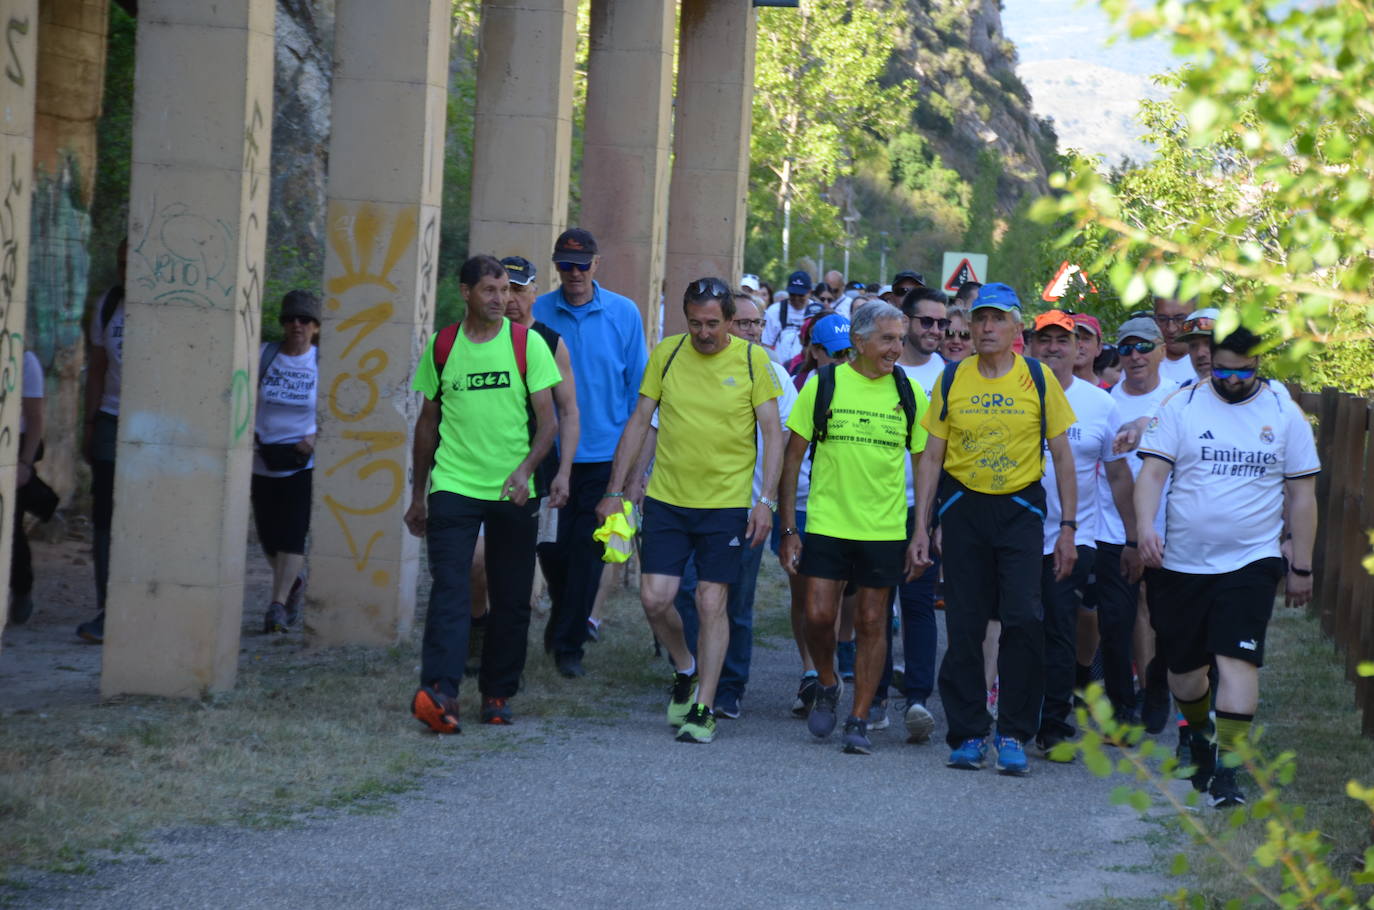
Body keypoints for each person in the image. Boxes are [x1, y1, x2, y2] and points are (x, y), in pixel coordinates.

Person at [1135, 326, 1319, 807]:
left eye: (1244, 370)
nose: (1232, 379)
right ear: (1208, 361)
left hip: (1251, 560)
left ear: (1259, 365)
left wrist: (1301, 562)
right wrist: (1144, 529)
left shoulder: (1283, 411)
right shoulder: (1182, 405)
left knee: (1238, 660)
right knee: (1186, 671)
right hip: (1180, 562)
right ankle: (1199, 735)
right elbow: (1152, 473)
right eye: (1223, 369)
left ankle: (1229, 772)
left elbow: (1302, 493)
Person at [596, 278, 782, 745]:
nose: (704, 333)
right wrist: (617, 489)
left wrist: (766, 502)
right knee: (655, 599)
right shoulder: (668, 354)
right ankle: (685, 667)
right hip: (667, 500)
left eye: (713, 324)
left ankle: (704, 705)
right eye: (695, 323)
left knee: (710, 602)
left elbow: (773, 435)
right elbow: (641, 419)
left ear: (729, 321)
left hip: (725, 504)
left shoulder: (752, 360)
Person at [911, 282, 1078, 776]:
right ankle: (966, 734)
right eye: (981, 318)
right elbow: (932, 456)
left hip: (1021, 509)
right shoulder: (953, 377)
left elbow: (1063, 457)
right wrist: (923, 525)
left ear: (1015, 328)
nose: (986, 328)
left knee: (1024, 618)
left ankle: (1013, 733)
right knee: (965, 621)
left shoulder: (1037, 377)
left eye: (997, 319)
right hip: (964, 506)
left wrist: (1067, 527)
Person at [406, 255, 560, 733]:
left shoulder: (527, 344)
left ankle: (497, 692)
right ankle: (441, 693)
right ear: (466, 292)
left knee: (511, 597)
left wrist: (526, 470)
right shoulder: (443, 346)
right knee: (450, 591)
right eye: (491, 291)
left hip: (513, 489)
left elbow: (549, 423)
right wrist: (418, 493)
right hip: (453, 485)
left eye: (507, 291)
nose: (502, 300)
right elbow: (427, 425)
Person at [779, 301, 929, 754]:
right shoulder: (823, 384)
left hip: (884, 528)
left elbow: (925, 466)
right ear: (858, 343)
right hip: (827, 521)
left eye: (900, 340)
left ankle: (859, 719)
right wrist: (789, 528)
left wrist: (920, 529)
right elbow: (791, 458)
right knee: (820, 617)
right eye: (887, 339)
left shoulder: (909, 393)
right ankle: (827, 680)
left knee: (870, 621)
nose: (896, 349)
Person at [662, 296, 798, 718]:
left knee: (735, 600)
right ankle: (691, 674)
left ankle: (728, 687)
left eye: (758, 323)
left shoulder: (773, 374)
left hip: (746, 507)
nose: (753, 331)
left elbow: (788, 440)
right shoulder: (684, 363)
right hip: (689, 502)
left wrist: (768, 501)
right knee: (686, 591)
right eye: (743, 322)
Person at [533, 228, 648, 679]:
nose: (574, 273)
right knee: (551, 551)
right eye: (565, 265)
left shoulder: (624, 312)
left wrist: (636, 470)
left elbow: (640, 392)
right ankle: (567, 616)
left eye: (582, 265)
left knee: (587, 551)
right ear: (556, 266)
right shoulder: (539, 311)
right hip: (549, 454)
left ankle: (569, 645)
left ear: (596, 265)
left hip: (604, 457)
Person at [1028, 310, 1136, 756]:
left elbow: (1118, 476)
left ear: (1080, 349)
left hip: (1074, 537)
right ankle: (1016, 715)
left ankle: (1053, 723)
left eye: (1063, 341)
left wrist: (1132, 538)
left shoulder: (1100, 404)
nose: (1054, 348)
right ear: (1031, 346)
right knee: (1021, 627)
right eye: (1045, 340)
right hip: (1015, 535)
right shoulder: (1014, 393)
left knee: (1058, 628)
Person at [1094, 316, 1172, 727]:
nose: (1135, 356)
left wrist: (1143, 426)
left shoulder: (1178, 398)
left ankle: (1155, 693)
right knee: (1116, 620)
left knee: (1161, 617)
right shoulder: (1106, 400)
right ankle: (1123, 704)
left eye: (1143, 346)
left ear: (1161, 348)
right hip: (1112, 528)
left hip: (1168, 527)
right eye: (1126, 348)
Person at [253, 291, 320, 634]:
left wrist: (313, 440)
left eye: (305, 320)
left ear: (316, 327)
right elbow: (243, 397)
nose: (297, 325)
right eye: (291, 319)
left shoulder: (322, 364)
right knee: (269, 538)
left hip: (300, 463)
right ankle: (293, 584)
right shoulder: (265, 356)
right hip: (262, 460)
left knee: (293, 534)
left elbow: (340, 410)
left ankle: (277, 605)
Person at [77, 240, 127, 643]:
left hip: (155, 427)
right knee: (106, 514)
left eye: (134, 261)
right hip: (112, 415)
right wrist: (90, 422)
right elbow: (97, 368)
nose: (126, 269)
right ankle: (108, 607)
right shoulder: (110, 303)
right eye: (121, 260)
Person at [10, 350, 47, 624]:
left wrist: (25, 463)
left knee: (10, 528)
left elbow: (35, 418)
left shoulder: (25, 361)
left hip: (14, 446)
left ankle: (21, 589)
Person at [896, 286, 948, 391]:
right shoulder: (882, 369)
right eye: (926, 322)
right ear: (905, 322)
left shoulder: (951, 373)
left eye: (941, 323)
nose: (935, 331)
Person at [762, 270, 814, 368]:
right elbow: (766, 345)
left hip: (807, 369)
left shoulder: (816, 311)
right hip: (780, 367)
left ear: (810, 292)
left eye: (801, 295)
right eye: (793, 294)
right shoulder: (774, 311)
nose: (796, 299)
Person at [1153, 296, 1199, 385]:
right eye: (1162, 319)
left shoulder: (1211, 361)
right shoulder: (1137, 359)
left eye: (1180, 319)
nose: (1171, 329)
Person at [1177, 308, 1219, 380]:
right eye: (1193, 346)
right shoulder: (1182, 390)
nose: (1200, 354)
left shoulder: (1244, 389)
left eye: (1209, 343)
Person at [1072, 314, 1104, 384]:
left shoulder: (1109, 393)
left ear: (1099, 348)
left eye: (1086, 339)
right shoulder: (1048, 388)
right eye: (1075, 338)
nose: (1079, 344)